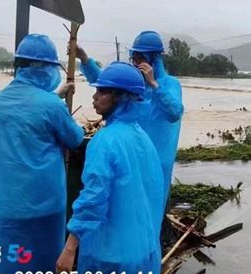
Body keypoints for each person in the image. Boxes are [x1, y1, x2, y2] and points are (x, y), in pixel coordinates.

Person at [0, 34, 84, 274]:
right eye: (51, 68)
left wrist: (54, 96)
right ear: (41, 68)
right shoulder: (50, 106)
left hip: (1, 206)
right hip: (40, 207)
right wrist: (59, 102)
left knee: (6, 272)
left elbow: (27, 106)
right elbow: (74, 138)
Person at [57, 62, 164, 274]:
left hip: (110, 258)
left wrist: (70, 247)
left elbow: (93, 200)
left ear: (120, 97)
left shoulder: (105, 141)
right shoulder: (143, 138)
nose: (94, 97)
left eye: (102, 92)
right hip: (145, 254)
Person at [77, 30, 183, 207]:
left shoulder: (170, 84)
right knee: (128, 206)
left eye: (140, 59)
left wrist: (154, 85)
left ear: (154, 59)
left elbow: (174, 113)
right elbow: (109, 85)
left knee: (152, 208)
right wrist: (85, 60)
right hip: (131, 155)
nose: (136, 64)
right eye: (134, 59)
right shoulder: (135, 84)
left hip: (158, 160)